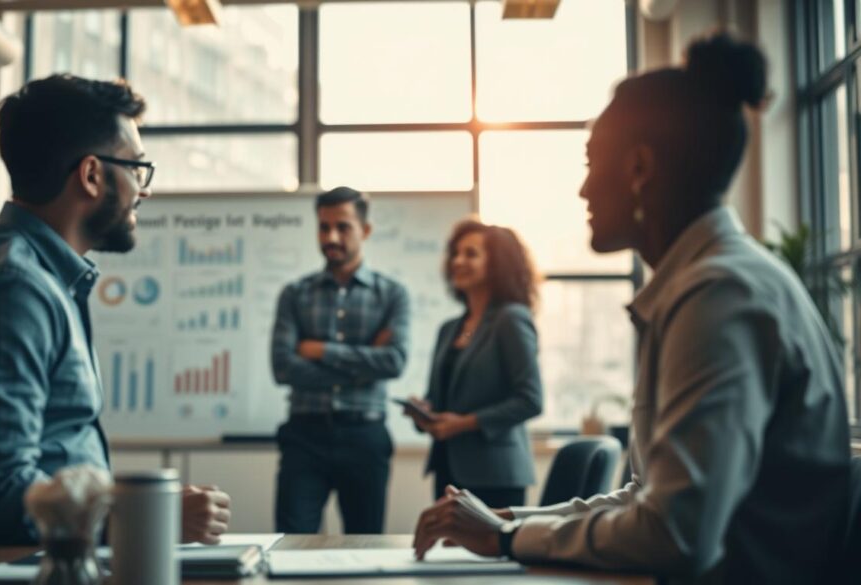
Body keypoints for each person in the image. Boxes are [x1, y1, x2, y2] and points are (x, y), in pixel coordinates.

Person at [412, 32, 851, 584]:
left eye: (592, 163)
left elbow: (675, 532)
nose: (582, 190)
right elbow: (645, 497)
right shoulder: (710, 281)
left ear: (639, 169)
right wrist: (512, 520)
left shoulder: (719, 294)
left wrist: (505, 538)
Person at [0, 75, 231, 556]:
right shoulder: (12, 291)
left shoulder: (20, 273)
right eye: (137, 168)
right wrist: (148, 514)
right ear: (91, 175)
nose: (143, 192)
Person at [270, 186, 410, 534]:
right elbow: (283, 367)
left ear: (365, 230)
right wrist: (364, 365)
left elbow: (393, 362)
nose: (331, 236)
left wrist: (321, 351)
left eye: (343, 227)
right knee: (291, 543)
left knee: (365, 547)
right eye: (323, 227)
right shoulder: (295, 294)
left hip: (366, 436)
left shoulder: (392, 295)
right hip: (304, 435)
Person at [404, 219, 542, 508]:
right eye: (455, 253)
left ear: (497, 265)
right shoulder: (449, 328)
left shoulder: (511, 319)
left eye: (471, 254)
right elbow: (440, 399)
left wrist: (463, 424)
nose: (458, 261)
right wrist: (426, 413)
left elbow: (530, 400)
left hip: (496, 474)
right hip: (448, 470)